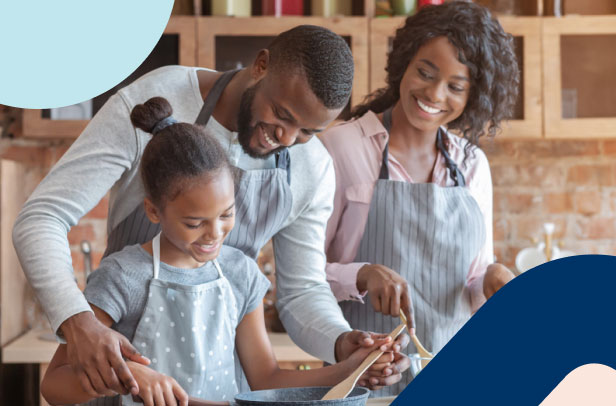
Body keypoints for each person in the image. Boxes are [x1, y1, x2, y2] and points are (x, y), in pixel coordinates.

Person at [13, 25, 409, 399]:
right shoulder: (159, 98)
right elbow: (42, 217)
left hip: (222, 384)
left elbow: (302, 291)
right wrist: (77, 321)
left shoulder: (311, 168)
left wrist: (343, 344)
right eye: (283, 115)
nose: (285, 139)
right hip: (119, 376)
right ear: (261, 65)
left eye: (308, 131)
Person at [320, 1, 518, 396]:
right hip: (365, 376)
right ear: (404, 64)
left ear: (473, 96)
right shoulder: (340, 148)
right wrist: (362, 274)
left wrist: (493, 278)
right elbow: (302, 277)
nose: (433, 93)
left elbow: (472, 282)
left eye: (455, 87)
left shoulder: (472, 164)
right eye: (425, 73)